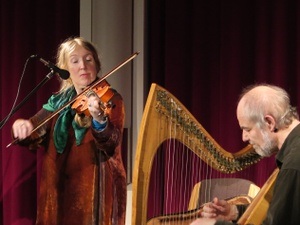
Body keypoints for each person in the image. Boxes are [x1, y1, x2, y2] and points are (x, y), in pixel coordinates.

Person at [11, 37, 127, 225]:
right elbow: (36, 128)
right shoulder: (57, 102)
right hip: (58, 189)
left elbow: (111, 142)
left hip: (95, 189)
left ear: (96, 64)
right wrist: (22, 127)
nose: (83, 66)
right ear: (64, 69)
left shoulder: (111, 98)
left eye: (88, 59)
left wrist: (98, 119)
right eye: (75, 61)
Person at [190, 84, 300, 225]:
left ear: (269, 122)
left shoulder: (294, 164)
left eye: (247, 129)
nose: (244, 137)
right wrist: (235, 212)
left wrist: (213, 224)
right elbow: (281, 213)